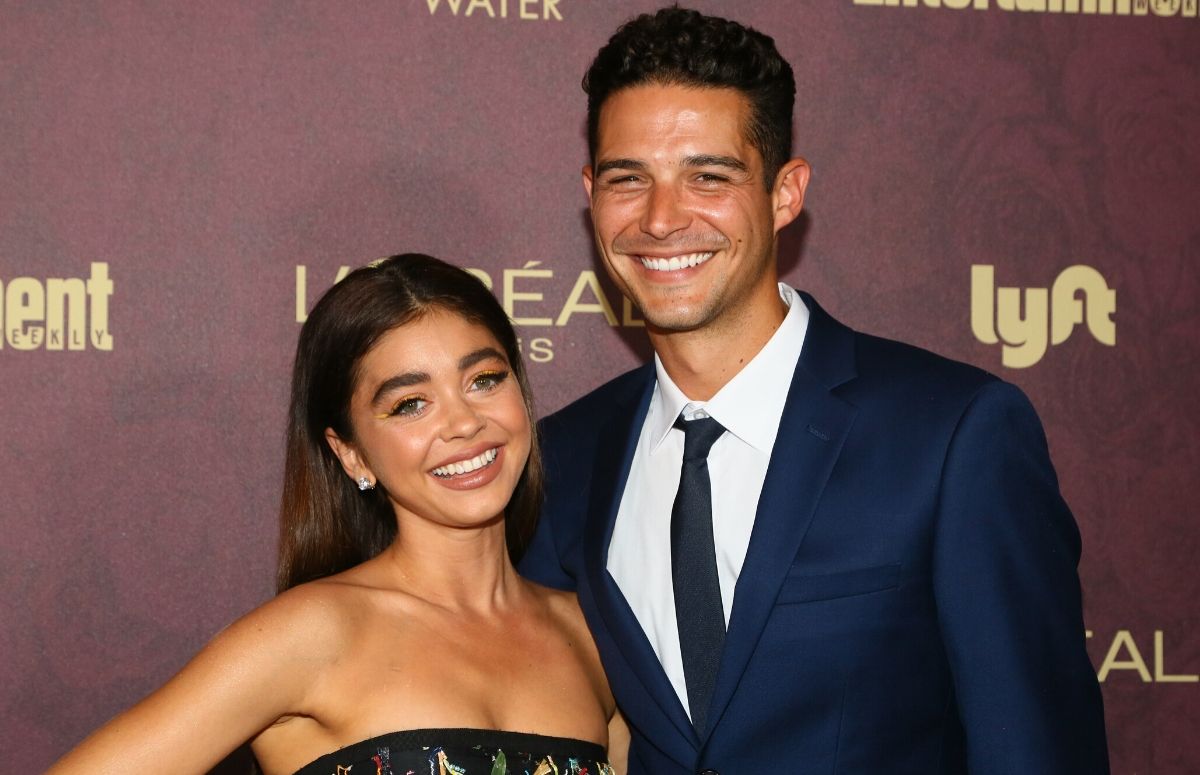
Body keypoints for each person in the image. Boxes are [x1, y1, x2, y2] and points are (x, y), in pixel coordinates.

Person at [518, 7, 1109, 774]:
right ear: (592, 194)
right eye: (629, 179)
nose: (662, 219)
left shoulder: (952, 436)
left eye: (708, 176)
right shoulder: (564, 460)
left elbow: (1034, 750)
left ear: (785, 193)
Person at [49, 254, 624, 775]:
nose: (463, 422)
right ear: (351, 453)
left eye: (484, 380)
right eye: (410, 404)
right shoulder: (309, 634)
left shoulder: (592, 633)